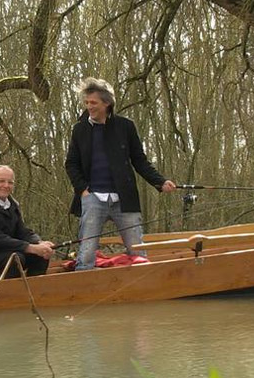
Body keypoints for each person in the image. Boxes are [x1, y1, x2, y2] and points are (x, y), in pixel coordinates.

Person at [65, 77, 177, 270]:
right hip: (92, 198)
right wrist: (83, 190)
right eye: (86, 103)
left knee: (137, 249)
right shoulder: (79, 129)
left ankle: (141, 282)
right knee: (87, 251)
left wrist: (160, 182)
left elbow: (139, 161)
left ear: (107, 103)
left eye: (94, 103)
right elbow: (71, 164)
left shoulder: (126, 126)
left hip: (124, 198)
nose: (89, 107)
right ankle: (83, 280)